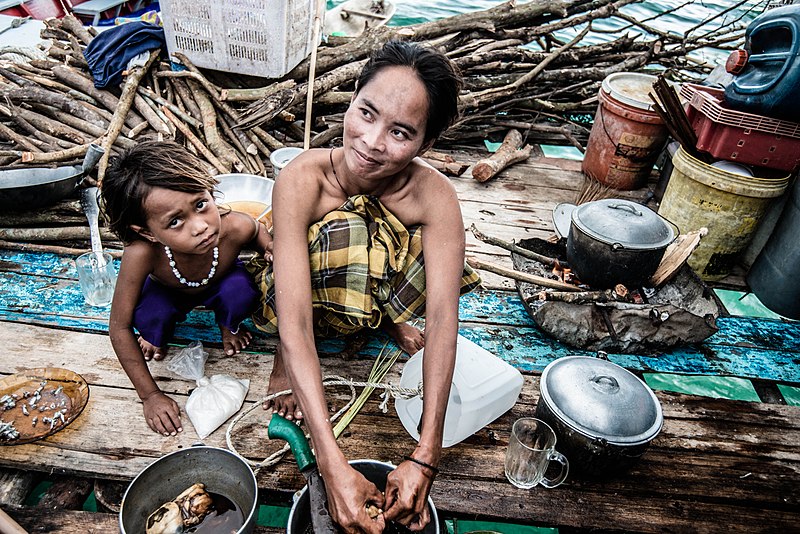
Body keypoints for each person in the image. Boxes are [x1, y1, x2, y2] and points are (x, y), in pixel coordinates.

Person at [248, 41, 480, 532]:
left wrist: (426, 456)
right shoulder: (301, 179)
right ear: (352, 99)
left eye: (400, 133)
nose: (373, 142)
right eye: (366, 113)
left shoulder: (434, 196)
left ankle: (386, 319)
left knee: (449, 261)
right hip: (304, 290)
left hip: (371, 286)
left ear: (424, 143)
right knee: (344, 233)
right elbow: (293, 320)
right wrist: (332, 466)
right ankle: (282, 363)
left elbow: (442, 320)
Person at [101, 141, 272, 436]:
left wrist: (270, 246)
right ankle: (155, 336)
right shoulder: (142, 253)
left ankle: (227, 325)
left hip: (218, 285)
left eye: (201, 205)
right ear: (147, 232)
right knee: (152, 314)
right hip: (167, 292)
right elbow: (119, 326)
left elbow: (257, 231)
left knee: (241, 291)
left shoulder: (233, 227)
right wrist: (150, 395)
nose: (200, 226)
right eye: (176, 222)